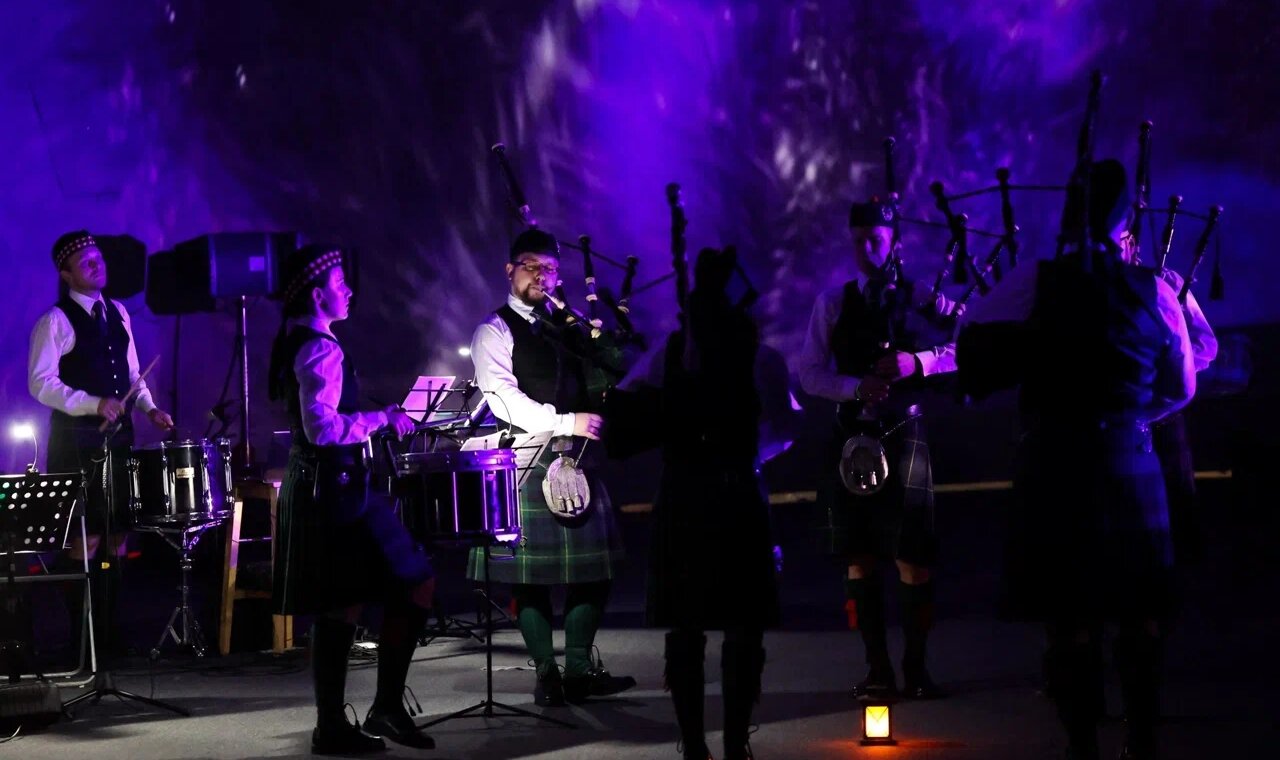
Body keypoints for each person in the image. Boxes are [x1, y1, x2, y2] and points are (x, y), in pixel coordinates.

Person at [958, 159, 1196, 760]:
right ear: (1124, 221)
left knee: (1070, 620)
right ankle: (1141, 743)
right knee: (1140, 616)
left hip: (1056, 466)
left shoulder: (1036, 280)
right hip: (1130, 464)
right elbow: (1183, 385)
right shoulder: (1154, 288)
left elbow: (972, 335)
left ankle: (1082, 747)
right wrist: (1131, 417)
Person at [617, 247, 797, 760]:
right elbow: (785, 425)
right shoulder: (757, 354)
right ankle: (732, 745)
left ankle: (697, 747)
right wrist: (745, 456)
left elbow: (627, 412)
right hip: (734, 491)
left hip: (686, 494)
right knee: (741, 626)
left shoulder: (672, 352)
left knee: (690, 624)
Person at [267, 244, 436, 755]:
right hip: (335, 489)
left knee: (343, 604)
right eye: (340, 284)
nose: (348, 291)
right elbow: (321, 429)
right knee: (410, 583)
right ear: (318, 295)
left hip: (327, 486)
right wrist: (382, 419)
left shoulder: (300, 338)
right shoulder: (319, 348)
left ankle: (342, 722)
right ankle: (365, 715)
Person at [797, 200, 958, 699]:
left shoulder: (922, 296)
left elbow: (965, 347)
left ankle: (916, 669)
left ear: (895, 242)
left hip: (904, 434)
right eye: (859, 240)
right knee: (859, 558)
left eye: (877, 239)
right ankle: (878, 670)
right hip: (851, 438)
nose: (867, 249)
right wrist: (855, 388)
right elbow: (809, 374)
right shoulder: (832, 302)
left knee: (913, 558)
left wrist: (919, 362)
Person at [467, 228, 634, 706]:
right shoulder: (493, 330)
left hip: (579, 456)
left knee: (595, 571)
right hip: (528, 458)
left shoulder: (569, 325)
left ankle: (578, 669)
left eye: (551, 269)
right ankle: (547, 673)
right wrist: (567, 420)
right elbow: (503, 398)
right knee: (528, 580)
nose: (542, 276)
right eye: (531, 266)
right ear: (510, 270)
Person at [28, 230, 174, 655]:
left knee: (115, 537)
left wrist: (149, 408)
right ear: (66, 273)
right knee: (85, 538)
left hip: (119, 440)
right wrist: (93, 404)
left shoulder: (119, 312)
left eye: (99, 259)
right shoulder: (55, 321)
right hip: (77, 442)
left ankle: (108, 634)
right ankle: (82, 639)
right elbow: (41, 383)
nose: (97, 266)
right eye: (86, 262)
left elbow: (133, 377)